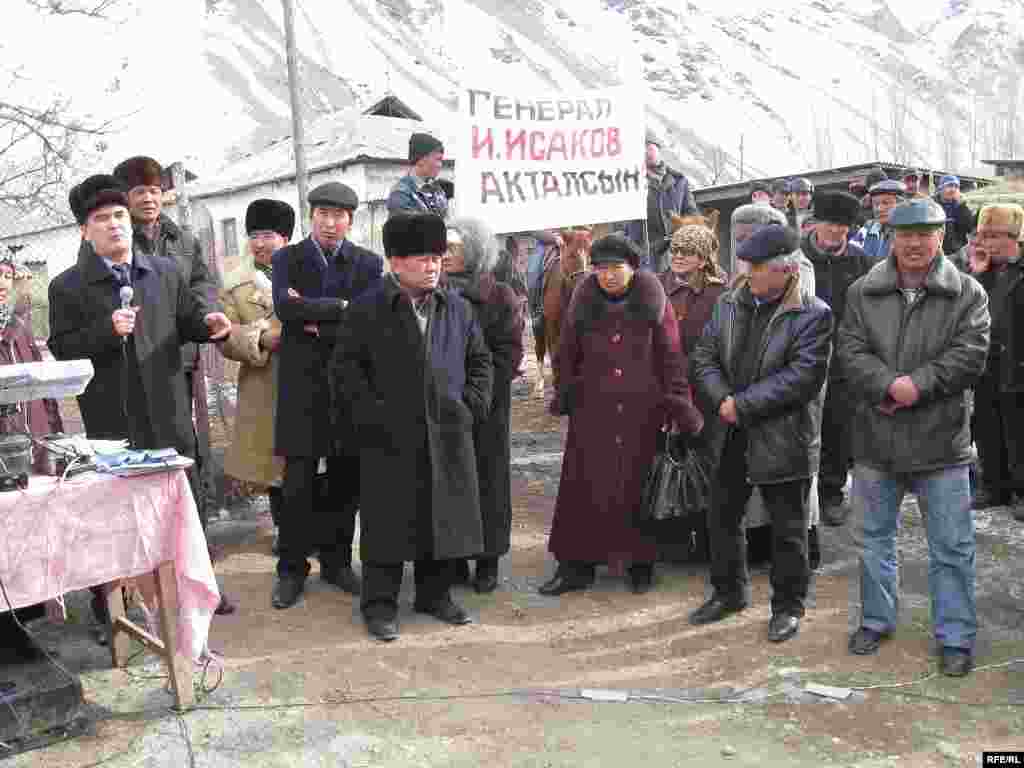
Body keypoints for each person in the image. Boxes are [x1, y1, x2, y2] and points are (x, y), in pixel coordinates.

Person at [840, 198, 989, 676]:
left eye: (925, 234)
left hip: (941, 442)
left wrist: (916, 385)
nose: (915, 243)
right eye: (906, 234)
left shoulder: (967, 293)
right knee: (873, 541)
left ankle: (956, 637)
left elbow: (971, 354)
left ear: (941, 237)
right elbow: (850, 352)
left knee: (952, 547)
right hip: (876, 439)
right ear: (891, 238)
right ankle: (876, 620)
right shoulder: (863, 292)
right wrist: (889, 384)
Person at [333, 212, 493, 641]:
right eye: (422, 258)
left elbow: (480, 362)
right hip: (388, 439)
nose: (433, 266)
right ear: (395, 261)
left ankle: (434, 595)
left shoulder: (456, 308)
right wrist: (372, 420)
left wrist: (468, 407)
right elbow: (345, 373)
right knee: (387, 524)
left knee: (441, 516)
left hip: (447, 432)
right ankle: (380, 606)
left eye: (437, 257)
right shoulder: (367, 309)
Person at [690, 225, 832, 642]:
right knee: (723, 516)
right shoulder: (729, 303)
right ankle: (729, 592)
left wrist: (742, 405)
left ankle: (788, 606)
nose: (747, 273)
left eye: (756, 267)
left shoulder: (814, 313)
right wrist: (722, 400)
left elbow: (802, 378)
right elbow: (704, 356)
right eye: (746, 265)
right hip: (729, 429)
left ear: (787, 270)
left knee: (788, 528)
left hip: (783, 434)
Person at [541, 234, 704, 596]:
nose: (608, 275)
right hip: (592, 412)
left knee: (637, 487)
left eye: (616, 267)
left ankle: (640, 564)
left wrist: (679, 405)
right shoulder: (583, 299)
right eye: (600, 268)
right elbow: (566, 353)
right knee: (583, 490)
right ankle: (575, 567)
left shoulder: (652, 300)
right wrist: (566, 393)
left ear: (633, 267)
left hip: (642, 413)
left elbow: (671, 357)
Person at [270, 182, 383, 609]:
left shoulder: (368, 263)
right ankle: (291, 570)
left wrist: (314, 311)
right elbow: (286, 308)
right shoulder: (287, 259)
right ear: (311, 216)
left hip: (347, 383)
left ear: (350, 220)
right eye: (322, 214)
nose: (330, 223)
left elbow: (367, 317)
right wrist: (340, 307)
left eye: (339, 216)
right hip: (300, 384)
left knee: (344, 480)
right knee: (296, 483)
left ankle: (337, 564)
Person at [112, 156, 220, 523]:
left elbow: (202, 283)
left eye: (155, 191)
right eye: (139, 192)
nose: (149, 199)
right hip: (137, 357)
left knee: (185, 442)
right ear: (125, 197)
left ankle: (193, 528)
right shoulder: (118, 240)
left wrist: (205, 315)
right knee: (145, 444)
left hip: (181, 353)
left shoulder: (183, 240)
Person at [442, 218, 525, 592]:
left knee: (488, 484)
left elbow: (508, 354)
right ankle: (455, 558)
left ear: (474, 252)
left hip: (487, 410)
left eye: (453, 248)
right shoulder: (434, 291)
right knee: (451, 482)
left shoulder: (500, 296)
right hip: (444, 407)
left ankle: (488, 560)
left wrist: (475, 393)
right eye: (442, 248)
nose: (444, 255)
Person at [218, 199, 294, 554]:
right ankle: (285, 530)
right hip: (265, 382)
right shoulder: (236, 284)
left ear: (285, 237)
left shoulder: (308, 270)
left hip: (311, 378)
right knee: (273, 462)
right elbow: (224, 336)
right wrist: (260, 339)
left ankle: (319, 532)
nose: (259, 243)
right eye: (253, 235)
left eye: (268, 235)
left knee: (314, 460)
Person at [0, 252, 65, 661]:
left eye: (6, 276)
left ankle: (25, 626)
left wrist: (52, 436)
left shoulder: (20, 329)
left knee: (29, 535)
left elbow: (43, 386)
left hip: (29, 444)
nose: (2, 284)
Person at [802, 191, 872, 527]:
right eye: (830, 224)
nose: (836, 231)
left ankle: (831, 492)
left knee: (837, 425)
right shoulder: (798, 257)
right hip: (803, 355)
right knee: (801, 425)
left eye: (843, 226)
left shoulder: (861, 262)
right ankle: (801, 492)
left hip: (844, 357)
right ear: (816, 222)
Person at [964, 204, 1024, 516]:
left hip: (1017, 360)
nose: (985, 242)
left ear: (1013, 237)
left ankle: (1021, 491)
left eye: (993, 235)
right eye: (982, 235)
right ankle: (994, 485)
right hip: (986, 362)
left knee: (1018, 427)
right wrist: (977, 273)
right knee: (987, 424)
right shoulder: (979, 271)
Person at [624, 130, 699, 272]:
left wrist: (685, 235)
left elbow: (691, 212)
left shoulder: (679, 180)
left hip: (675, 253)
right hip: (642, 255)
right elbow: (621, 222)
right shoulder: (629, 181)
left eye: (649, 147)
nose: (645, 152)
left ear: (658, 149)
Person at [658, 223, 729, 356]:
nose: (678, 256)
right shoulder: (654, 286)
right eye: (674, 250)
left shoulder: (718, 293)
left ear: (703, 260)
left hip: (700, 365)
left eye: (688, 252)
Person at [386, 132, 450, 219]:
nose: (440, 165)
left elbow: (446, 219)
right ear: (421, 160)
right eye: (438, 159)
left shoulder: (436, 189)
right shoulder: (400, 194)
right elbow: (413, 226)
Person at [853, 179, 906, 265]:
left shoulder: (907, 231)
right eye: (876, 204)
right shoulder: (868, 226)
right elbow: (851, 252)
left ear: (900, 204)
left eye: (886, 203)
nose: (879, 209)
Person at [934, 175, 976, 256]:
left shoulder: (961, 207)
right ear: (940, 188)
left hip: (958, 254)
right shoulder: (933, 206)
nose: (953, 189)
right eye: (949, 186)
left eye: (956, 187)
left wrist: (962, 206)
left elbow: (970, 228)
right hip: (937, 253)